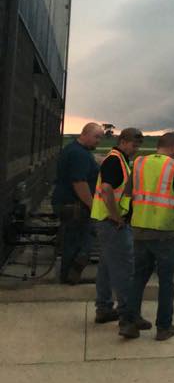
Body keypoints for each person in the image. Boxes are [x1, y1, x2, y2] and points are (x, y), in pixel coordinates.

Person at [118, 132, 174, 342]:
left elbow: (127, 194)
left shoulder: (140, 163)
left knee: (138, 278)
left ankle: (129, 323)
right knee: (166, 282)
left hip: (140, 230)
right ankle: (164, 327)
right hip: (164, 232)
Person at [89, 127, 143, 325]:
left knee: (106, 267)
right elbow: (106, 190)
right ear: (122, 142)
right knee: (124, 269)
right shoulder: (115, 161)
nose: (135, 149)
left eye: (138, 146)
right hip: (113, 225)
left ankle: (103, 308)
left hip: (106, 223)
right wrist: (116, 217)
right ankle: (128, 316)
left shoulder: (120, 160)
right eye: (133, 145)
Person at [50, 122, 103, 286]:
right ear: (84, 134)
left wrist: (97, 162)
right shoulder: (79, 155)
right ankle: (69, 277)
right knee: (78, 241)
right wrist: (92, 206)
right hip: (74, 206)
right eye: (96, 137)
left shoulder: (75, 150)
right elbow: (79, 182)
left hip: (69, 204)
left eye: (100, 138)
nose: (98, 141)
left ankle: (70, 276)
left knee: (76, 240)